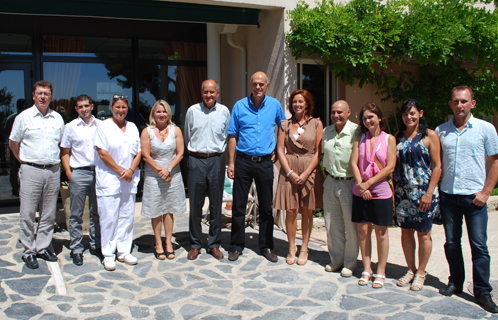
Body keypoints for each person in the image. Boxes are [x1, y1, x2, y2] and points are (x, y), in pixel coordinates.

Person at [436, 86, 498, 313]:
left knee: (479, 246)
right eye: (456, 101)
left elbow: (496, 160)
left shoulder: (485, 128)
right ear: (450, 104)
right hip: (449, 197)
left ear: (472, 103)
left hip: (475, 199)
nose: (460, 105)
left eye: (464, 101)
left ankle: (482, 291)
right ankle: (456, 282)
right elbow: (437, 164)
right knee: (452, 244)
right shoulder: (441, 131)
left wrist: (486, 192)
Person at [227, 71, 286, 262]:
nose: (258, 87)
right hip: (243, 162)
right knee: (238, 206)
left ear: (267, 86)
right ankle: (236, 245)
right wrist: (231, 162)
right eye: (255, 84)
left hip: (265, 163)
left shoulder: (275, 105)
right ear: (250, 85)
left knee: (267, 208)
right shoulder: (239, 106)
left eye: (261, 84)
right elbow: (232, 135)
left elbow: (283, 127)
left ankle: (266, 246)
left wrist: (279, 149)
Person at [9, 80, 64, 269]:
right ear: (33, 95)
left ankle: (43, 247)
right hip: (31, 169)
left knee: (49, 213)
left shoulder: (57, 118)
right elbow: (13, 143)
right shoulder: (23, 117)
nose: (43, 97)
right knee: (28, 213)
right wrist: (24, 161)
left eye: (46, 93)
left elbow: (61, 144)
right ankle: (29, 251)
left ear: (51, 96)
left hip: (52, 170)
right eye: (39, 93)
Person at [393, 99, 442, 291]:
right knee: (406, 233)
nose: (409, 117)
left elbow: (437, 166)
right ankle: (411, 269)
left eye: (412, 113)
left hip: (424, 193)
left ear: (420, 113)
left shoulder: (429, 135)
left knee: (424, 234)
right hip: (403, 193)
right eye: (405, 114)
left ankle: (421, 272)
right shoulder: (397, 137)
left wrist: (429, 193)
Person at [274, 89, 323, 266]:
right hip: (289, 170)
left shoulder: (317, 123)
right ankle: (291, 248)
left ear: (307, 104)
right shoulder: (284, 124)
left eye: (301, 101)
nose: (297, 105)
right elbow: (280, 150)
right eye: (295, 101)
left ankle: (305, 248)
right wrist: (289, 172)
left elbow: (318, 151)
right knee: (291, 210)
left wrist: (306, 173)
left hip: (309, 170)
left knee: (307, 211)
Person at [351, 102, 396, 288]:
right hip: (360, 190)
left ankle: (381, 271)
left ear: (379, 118)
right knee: (363, 232)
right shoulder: (359, 138)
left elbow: (390, 166)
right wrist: (362, 185)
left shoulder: (389, 139)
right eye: (364, 118)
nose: (368, 120)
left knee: (381, 233)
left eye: (371, 117)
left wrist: (369, 183)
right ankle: (367, 268)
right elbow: (353, 163)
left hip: (381, 191)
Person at [94, 94, 141, 271]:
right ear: (111, 108)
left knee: (127, 216)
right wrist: (122, 171)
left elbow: (138, 153)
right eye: (117, 107)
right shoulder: (103, 126)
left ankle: (123, 251)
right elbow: (103, 153)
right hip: (110, 178)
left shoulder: (133, 127)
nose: (120, 110)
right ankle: (108, 254)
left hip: (129, 180)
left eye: (123, 107)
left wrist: (130, 171)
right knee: (109, 217)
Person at [184, 80, 230, 260]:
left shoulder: (224, 111)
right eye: (206, 92)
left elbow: (227, 135)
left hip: (216, 160)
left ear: (217, 93)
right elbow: (188, 135)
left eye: (212, 92)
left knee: (216, 204)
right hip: (196, 159)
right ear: (201, 93)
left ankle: (214, 244)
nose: (209, 95)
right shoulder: (192, 111)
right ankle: (195, 244)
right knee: (195, 204)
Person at [141, 100, 186, 260]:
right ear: (153, 113)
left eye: (164, 111)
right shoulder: (147, 131)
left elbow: (180, 153)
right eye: (158, 111)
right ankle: (158, 243)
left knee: (168, 209)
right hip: (154, 176)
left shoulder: (176, 130)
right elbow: (146, 155)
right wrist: (160, 171)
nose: (161, 114)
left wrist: (168, 170)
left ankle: (168, 242)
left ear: (169, 113)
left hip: (172, 175)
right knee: (156, 210)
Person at [60, 94, 102, 266]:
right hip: (79, 173)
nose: (83, 109)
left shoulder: (102, 125)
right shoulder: (70, 127)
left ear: (92, 106)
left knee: (96, 212)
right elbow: (64, 152)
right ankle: (76, 248)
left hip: (98, 173)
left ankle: (95, 244)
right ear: (76, 109)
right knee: (75, 214)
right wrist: (70, 174)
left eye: (86, 106)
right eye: (80, 107)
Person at [322, 100, 360, 277]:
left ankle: (350, 262)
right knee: (332, 223)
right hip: (330, 180)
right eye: (333, 112)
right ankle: (336, 259)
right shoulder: (326, 131)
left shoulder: (357, 131)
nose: (336, 115)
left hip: (349, 182)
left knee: (351, 225)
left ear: (348, 112)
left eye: (340, 112)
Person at [5, 99, 25, 196]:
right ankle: (15, 189)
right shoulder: (12, 118)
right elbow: (6, 132)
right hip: (15, 147)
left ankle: (19, 189)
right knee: (14, 169)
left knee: (20, 169)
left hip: (25, 149)